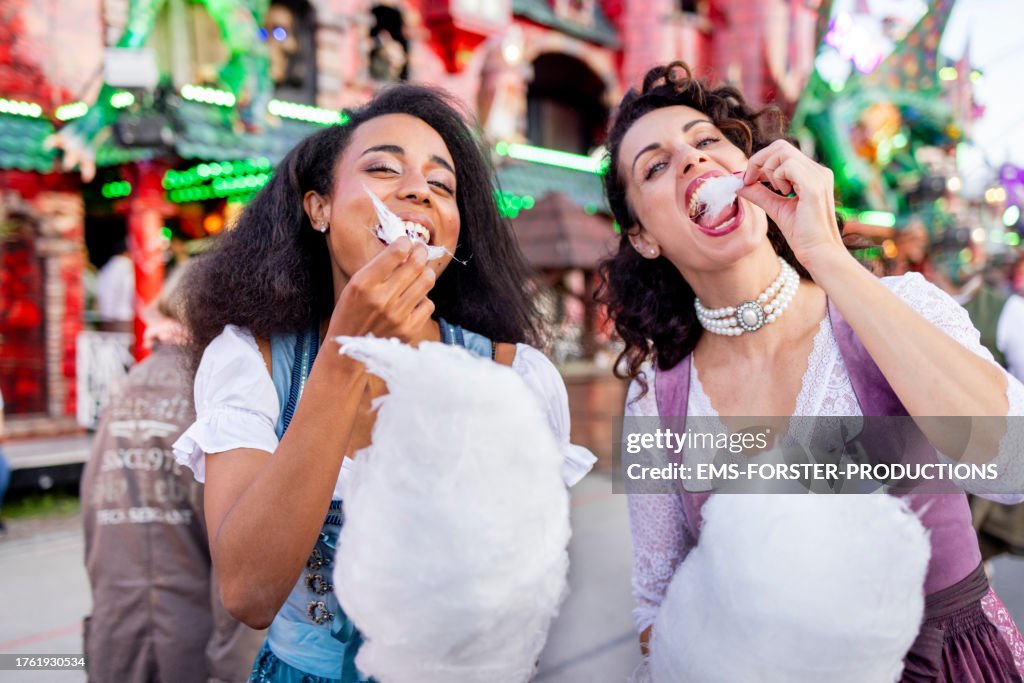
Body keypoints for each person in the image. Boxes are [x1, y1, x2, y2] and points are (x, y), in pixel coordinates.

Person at [598, 62, 1024, 680]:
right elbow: (655, 600)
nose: (691, 160)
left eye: (706, 140)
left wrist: (825, 256)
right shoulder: (653, 397)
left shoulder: (900, 303)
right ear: (642, 237)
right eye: (656, 166)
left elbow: (1013, 468)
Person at [172, 84, 595, 682]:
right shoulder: (251, 362)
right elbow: (249, 594)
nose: (418, 190)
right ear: (318, 208)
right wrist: (345, 355)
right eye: (383, 169)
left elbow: (528, 592)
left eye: (441, 185)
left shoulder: (515, 378)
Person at [81, 262, 264, 682]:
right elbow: (238, 548)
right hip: (191, 646)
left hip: (116, 641)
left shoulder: (128, 385)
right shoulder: (209, 390)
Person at [924, 241, 1024, 563]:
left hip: (986, 445)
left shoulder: (1007, 310)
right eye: (945, 253)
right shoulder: (920, 302)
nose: (954, 262)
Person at [95, 238, 135, 333]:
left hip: (105, 316)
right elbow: (129, 292)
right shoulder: (127, 267)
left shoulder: (107, 267)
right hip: (123, 317)